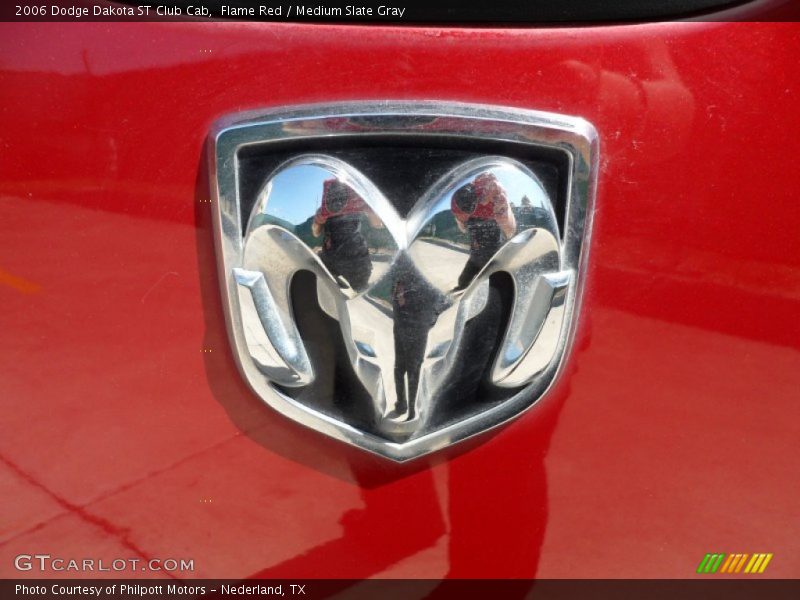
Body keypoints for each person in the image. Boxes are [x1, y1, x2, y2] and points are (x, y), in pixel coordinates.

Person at [311, 178, 382, 292]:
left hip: (355, 259)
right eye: (334, 191)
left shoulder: (356, 203)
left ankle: (347, 280)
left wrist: (369, 209)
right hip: (329, 256)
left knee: (360, 290)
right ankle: (336, 276)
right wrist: (317, 222)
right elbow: (315, 233)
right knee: (313, 270)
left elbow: (378, 224)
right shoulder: (325, 208)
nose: (337, 195)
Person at [450, 173, 517, 290]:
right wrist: (464, 223)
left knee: (495, 288)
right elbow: (463, 228)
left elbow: (510, 231)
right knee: (462, 282)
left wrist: (505, 217)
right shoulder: (458, 200)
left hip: (493, 256)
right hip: (475, 256)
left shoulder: (495, 194)